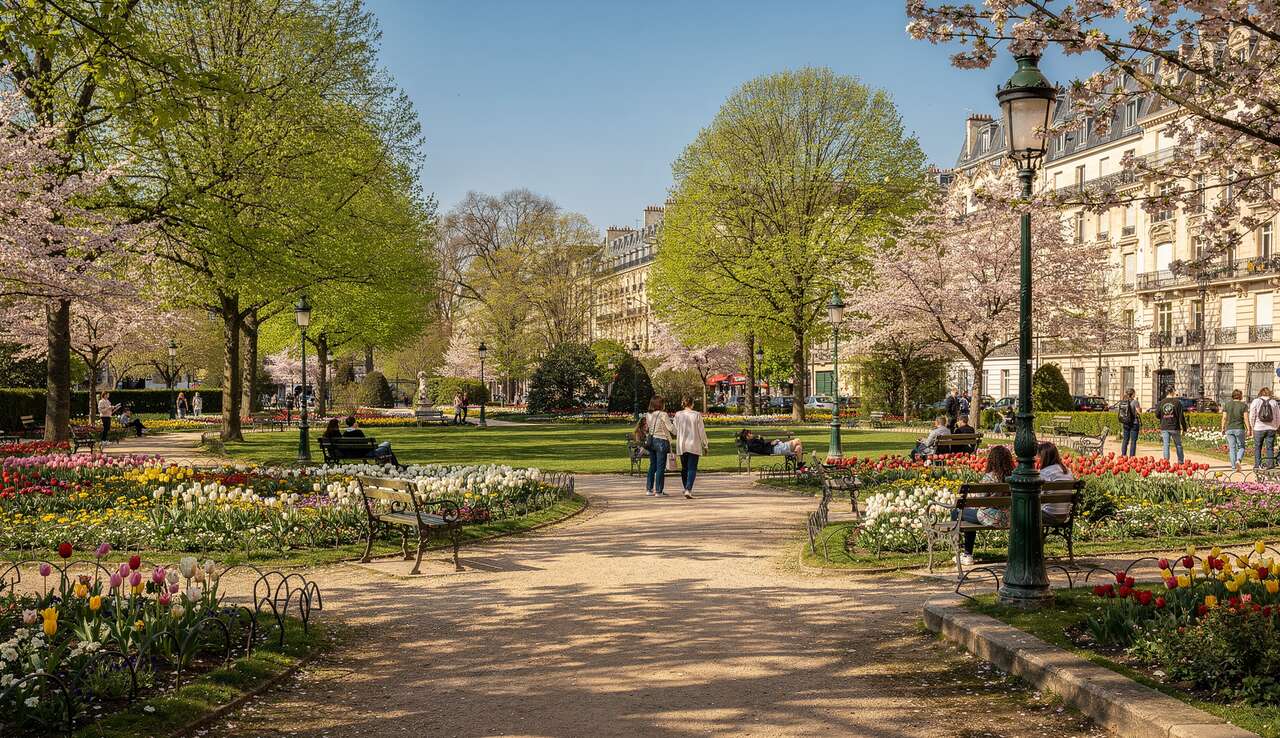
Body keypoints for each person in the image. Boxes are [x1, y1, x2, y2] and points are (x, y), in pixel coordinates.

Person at [952, 445, 1014, 567]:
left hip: (991, 517)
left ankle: (966, 553)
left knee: (956, 513)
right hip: (1010, 517)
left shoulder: (990, 477)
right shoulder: (1013, 477)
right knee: (970, 515)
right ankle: (966, 553)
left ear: (992, 460)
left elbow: (979, 500)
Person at [672, 396, 709, 499]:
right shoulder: (696, 415)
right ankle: (688, 489)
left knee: (684, 468)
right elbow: (701, 431)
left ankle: (686, 488)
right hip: (693, 444)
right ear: (692, 404)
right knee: (692, 467)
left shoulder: (678, 415)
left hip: (682, 444)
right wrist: (705, 444)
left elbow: (674, 430)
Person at [1037, 442, 1075, 524]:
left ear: (1042, 457)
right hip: (1064, 516)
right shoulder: (1068, 472)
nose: (1037, 458)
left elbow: (1038, 497)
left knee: (1025, 513)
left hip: (1047, 515)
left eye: (1038, 456)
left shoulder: (1044, 473)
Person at [645, 397, 676, 497]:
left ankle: (649, 489)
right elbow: (670, 428)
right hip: (661, 441)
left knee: (652, 466)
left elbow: (649, 428)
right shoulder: (663, 414)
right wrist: (678, 431)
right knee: (660, 467)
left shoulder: (649, 414)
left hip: (651, 441)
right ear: (660, 404)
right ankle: (659, 490)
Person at [1220, 389, 1250, 472]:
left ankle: (1233, 467)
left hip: (1229, 429)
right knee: (1241, 447)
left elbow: (1224, 417)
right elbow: (1246, 418)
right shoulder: (1243, 405)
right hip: (1239, 428)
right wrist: (1249, 429)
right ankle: (1238, 460)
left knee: (1232, 448)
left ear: (1232, 396)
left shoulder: (1227, 405)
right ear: (1240, 396)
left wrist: (1222, 428)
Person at [1250, 387, 1279, 469]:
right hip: (1271, 428)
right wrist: (1276, 426)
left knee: (1258, 447)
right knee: (1270, 447)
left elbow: (1252, 415)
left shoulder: (1256, 401)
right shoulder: (1274, 402)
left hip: (1258, 428)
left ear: (1260, 393)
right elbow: (1278, 416)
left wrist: (1253, 426)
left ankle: (1258, 464)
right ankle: (1270, 464)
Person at [1156, 388, 1188, 463]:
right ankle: (1180, 461)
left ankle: (1166, 462)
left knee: (1166, 445)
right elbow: (1181, 417)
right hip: (1175, 427)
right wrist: (1184, 428)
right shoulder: (1177, 402)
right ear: (1173, 392)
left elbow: (1157, 414)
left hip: (1165, 426)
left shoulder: (1161, 402)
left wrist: (1163, 416)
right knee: (1178, 445)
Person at [738, 429, 805, 461]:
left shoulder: (752, 442)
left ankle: (799, 467)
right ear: (747, 436)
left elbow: (762, 446)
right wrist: (770, 443)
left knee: (798, 448)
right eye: (750, 433)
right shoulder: (751, 444)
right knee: (798, 440)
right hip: (776, 449)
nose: (752, 434)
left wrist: (771, 442)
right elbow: (762, 448)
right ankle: (800, 466)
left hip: (776, 447)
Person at [1116, 389, 1142, 457]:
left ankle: (1123, 455)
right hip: (1134, 423)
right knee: (1133, 441)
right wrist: (1140, 408)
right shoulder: (1135, 402)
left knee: (1125, 440)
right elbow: (1139, 412)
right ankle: (1132, 457)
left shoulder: (1123, 401)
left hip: (1125, 422)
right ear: (1133, 394)